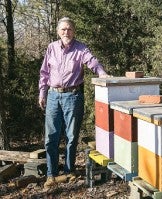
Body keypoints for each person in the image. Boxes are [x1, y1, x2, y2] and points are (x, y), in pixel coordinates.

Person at [38, 17, 110, 188]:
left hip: (73, 96)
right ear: (58, 31)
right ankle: (51, 174)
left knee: (71, 136)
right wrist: (42, 93)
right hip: (53, 96)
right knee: (51, 137)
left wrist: (101, 73)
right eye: (63, 29)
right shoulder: (51, 48)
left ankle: (69, 171)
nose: (66, 32)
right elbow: (44, 73)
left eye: (69, 29)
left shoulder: (80, 48)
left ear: (74, 31)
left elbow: (92, 61)